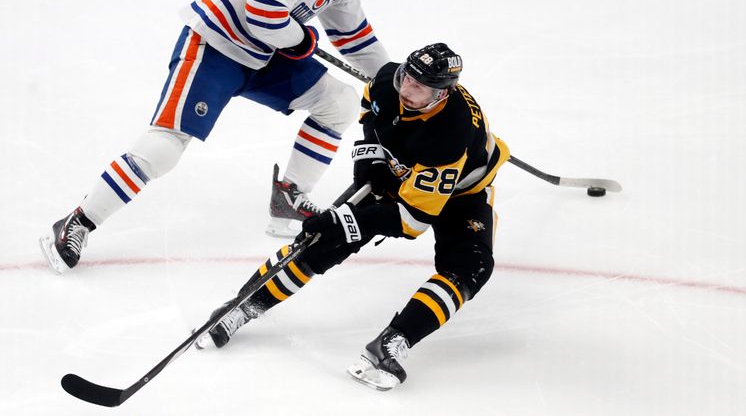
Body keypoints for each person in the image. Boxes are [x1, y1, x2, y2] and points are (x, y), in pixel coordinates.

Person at [39, 0, 390, 273]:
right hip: (217, 46)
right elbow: (263, 13)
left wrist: (394, 82)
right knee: (163, 148)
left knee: (337, 103)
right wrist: (301, 38)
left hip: (264, 53)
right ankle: (78, 221)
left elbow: (354, 37)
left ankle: (288, 197)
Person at [194, 44, 511, 391]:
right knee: (321, 242)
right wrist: (369, 166)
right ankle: (243, 305)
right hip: (404, 172)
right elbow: (370, 111)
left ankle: (392, 342)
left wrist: (347, 220)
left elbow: (413, 219)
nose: (405, 89)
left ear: (441, 94)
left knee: (470, 266)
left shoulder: (450, 134)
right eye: (407, 77)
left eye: (418, 88)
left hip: (461, 192)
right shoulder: (389, 79)